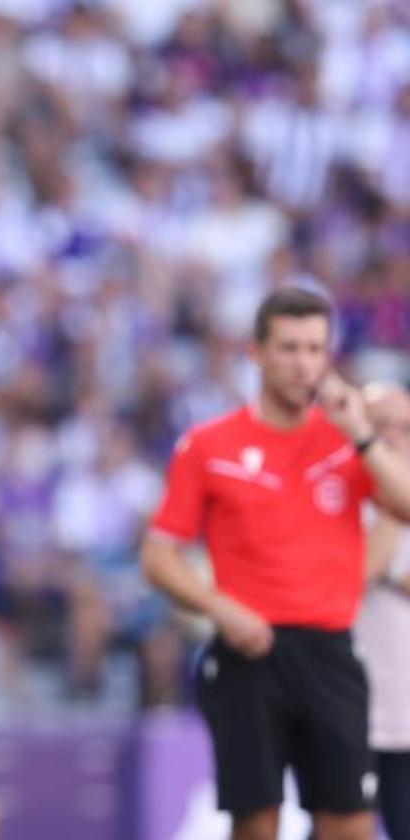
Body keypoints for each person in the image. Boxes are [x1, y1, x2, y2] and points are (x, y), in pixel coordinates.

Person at [140, 287, 410, 840]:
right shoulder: (209, 445)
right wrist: (220, 608)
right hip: (249, 653)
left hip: (332, 652)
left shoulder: (344, 443)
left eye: (315, 349)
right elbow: (158, 555)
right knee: (256, 823)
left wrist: (361, 431)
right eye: (288, 347)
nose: (302, 363)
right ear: (256, 353)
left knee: (349, 824)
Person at [355, 382, 410, 840]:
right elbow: (355, 574)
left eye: (404, 428)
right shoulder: (337, 498)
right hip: (347, 706)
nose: (392, 438)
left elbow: (370, 566)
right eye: (379, 427)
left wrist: (383, 570)